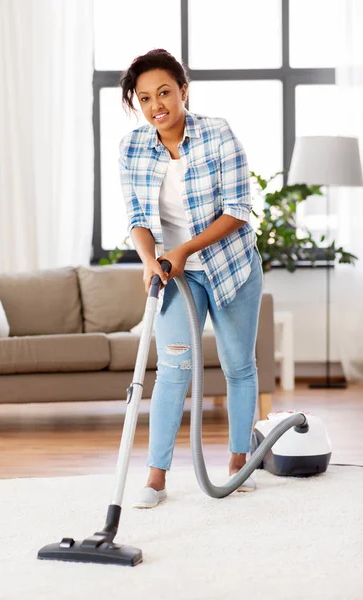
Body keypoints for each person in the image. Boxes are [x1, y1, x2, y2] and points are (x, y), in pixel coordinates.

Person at [118, 49, 263, 509]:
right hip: (175, 276)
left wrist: (183, 250)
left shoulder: (218, 134)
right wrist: (149, 259)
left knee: (238, 364)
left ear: (183, 90)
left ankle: (239, 462)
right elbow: (138, 217)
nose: (156, 105)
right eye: (144, 98)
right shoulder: (133, 148)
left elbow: (239, 210)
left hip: (230, 264)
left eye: (163, 92)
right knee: (174, 370)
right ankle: (156, 477)